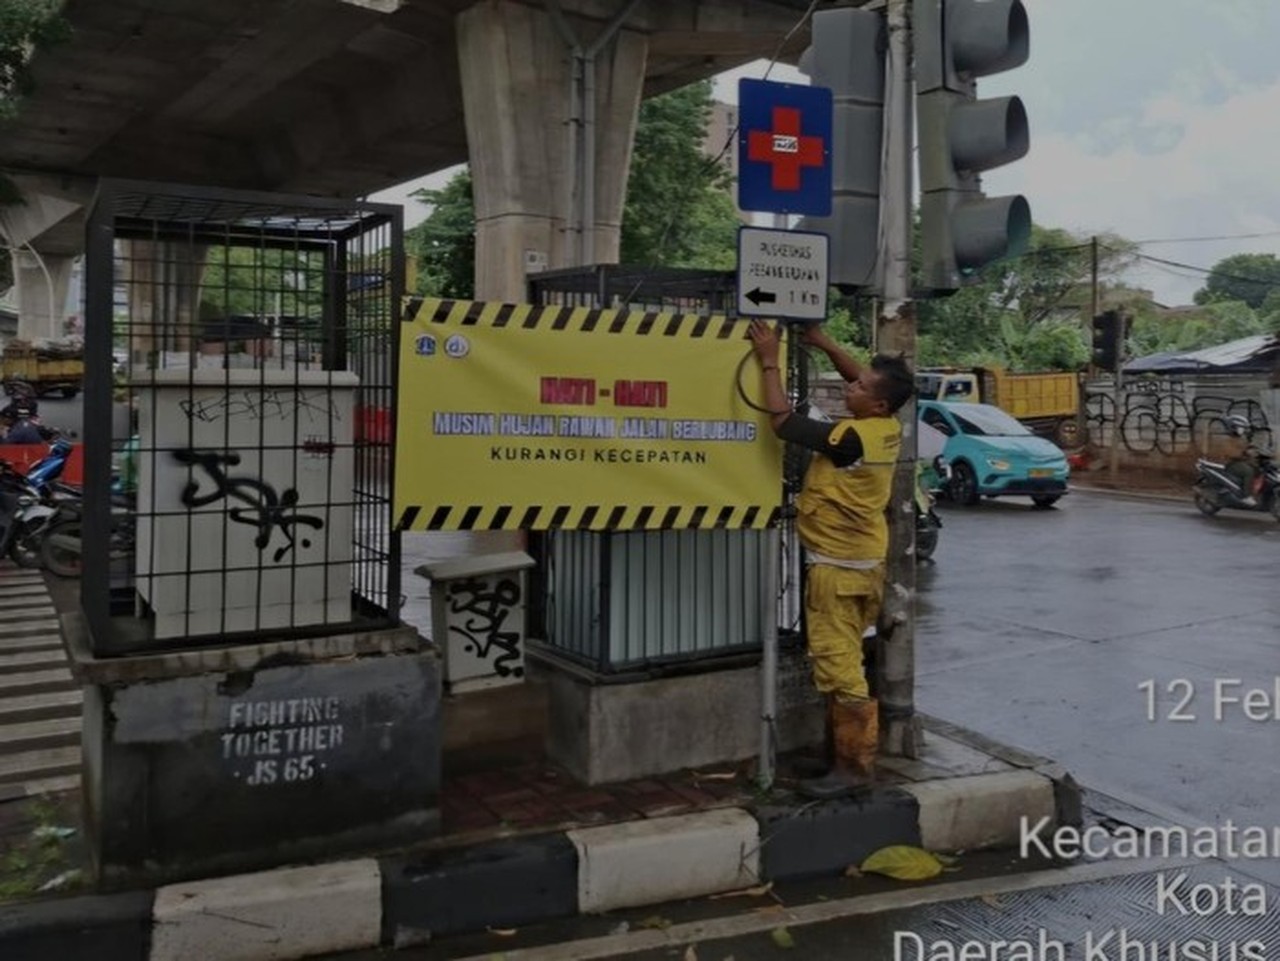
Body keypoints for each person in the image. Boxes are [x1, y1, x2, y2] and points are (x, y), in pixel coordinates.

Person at [748, 320, 914, 799]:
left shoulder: (851, 438)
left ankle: (854, 769)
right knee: (845, 661)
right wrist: (822, 343)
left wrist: (769, 358)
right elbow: (862, 376)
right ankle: (838, 751)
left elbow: (781, 421)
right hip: (864, 564)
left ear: (878, 403)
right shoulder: (885, 427)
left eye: (859, 388)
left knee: (838, 664)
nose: (851, 387)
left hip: (838, 570)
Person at [1221, 415, 1263, 507]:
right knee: (1249, 472)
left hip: (1242, 462)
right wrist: (1245, 452)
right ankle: (1246, 496)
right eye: (1240, 428)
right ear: (1234, 428)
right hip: (1232, 464)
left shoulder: (1241, 438)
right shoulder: (1228, 440)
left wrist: (1256, 450)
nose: (1242, 430)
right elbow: (1232, 454)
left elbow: (1249, 447)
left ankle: (1256, 493)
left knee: (1259, 469)